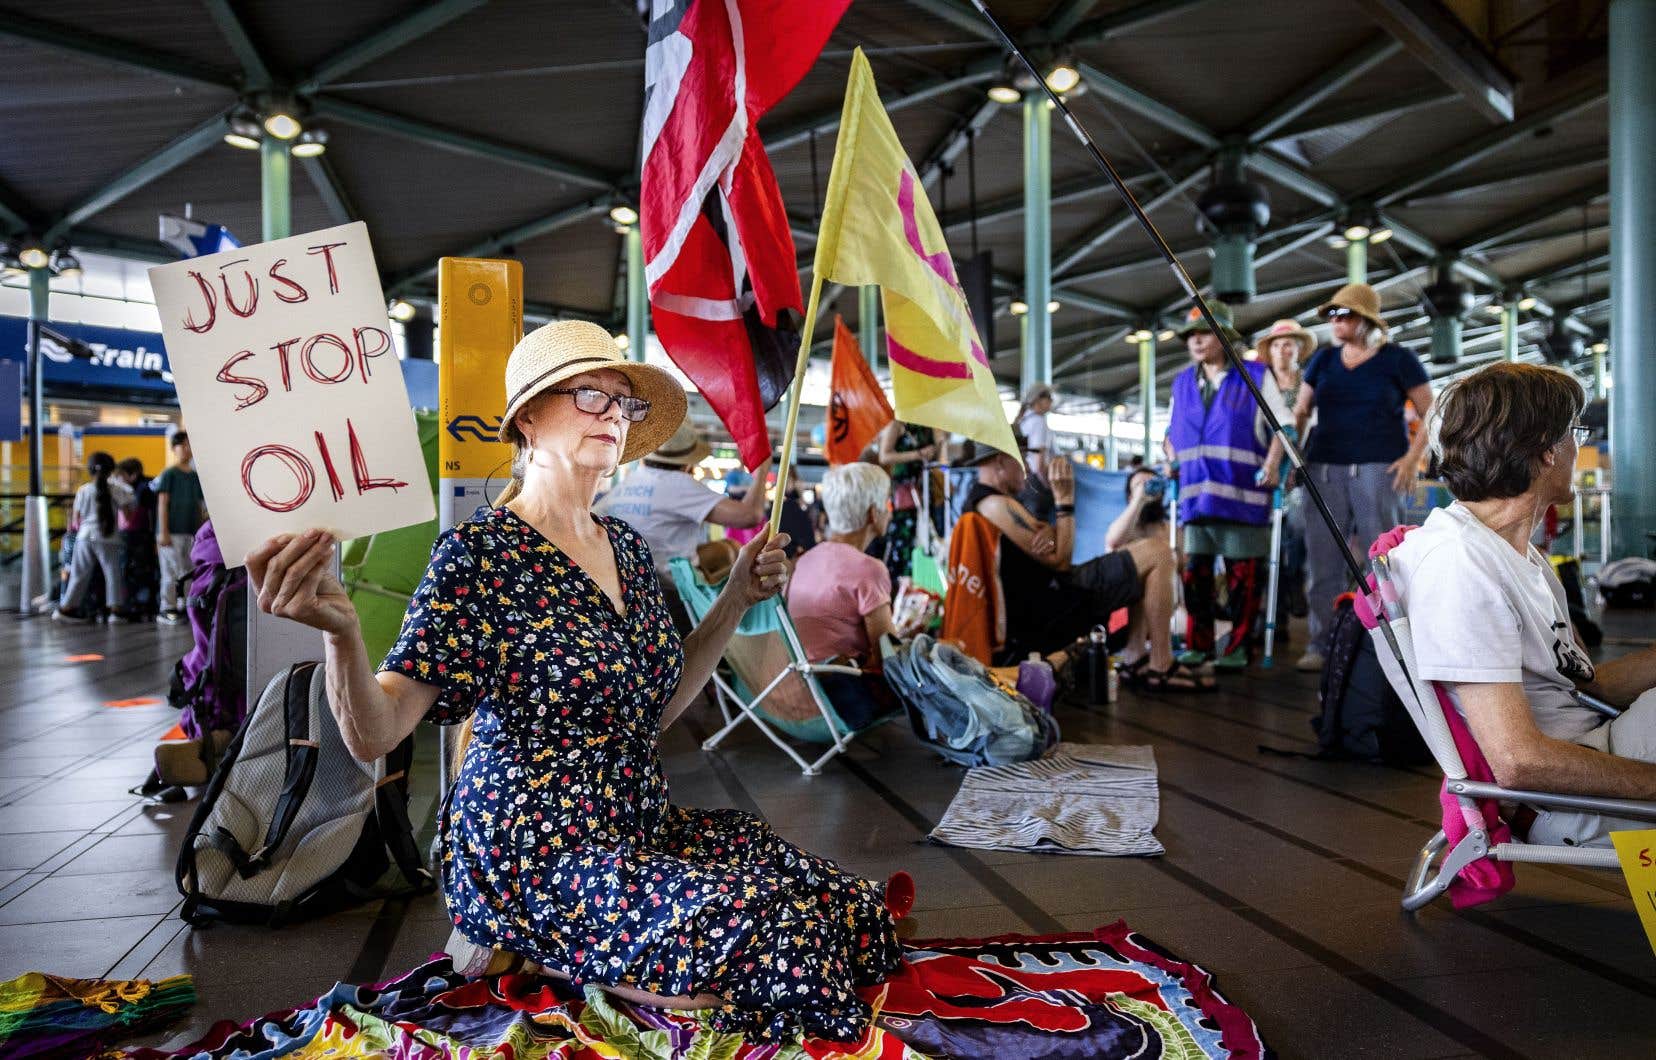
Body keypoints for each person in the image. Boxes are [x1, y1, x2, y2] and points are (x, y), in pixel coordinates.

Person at [246, 321, 901, 1042]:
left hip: (634, 829)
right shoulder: (480, 554)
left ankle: (613, 959)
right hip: (537, 848)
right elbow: (376, 729)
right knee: (775, 932)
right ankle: (556, 948)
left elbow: (654, 705)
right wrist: (339, 632)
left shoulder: (623, 543)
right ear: (528, 416)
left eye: (625, 404)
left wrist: (736, 597)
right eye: (591, 395)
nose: (614, 415)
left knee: (848, 909)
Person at [1389, 363, 1656, 848]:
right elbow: (1518, 761)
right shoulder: (1460, 566)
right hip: (1566, 797)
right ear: (1546, 450)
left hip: (1595, 744)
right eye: (1575, 432)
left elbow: (1583, 684)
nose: (1579, 446)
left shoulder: (1517, 553)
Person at [959, 434, 1210, 690]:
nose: (1026, 467)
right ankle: (1161, 664)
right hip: (1057, 602)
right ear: (1001, 461)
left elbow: (1053, 548)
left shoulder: (986, 502)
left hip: (1053, 595)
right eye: (1021, 458)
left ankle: (1136, 657)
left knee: (1143, 554)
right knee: (1159, 554)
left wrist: (1049, 530)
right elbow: (1061, 561)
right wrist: (1065, 501)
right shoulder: (996, 504)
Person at [1293, 283, 1433, 672]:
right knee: (1322, 561)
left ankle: (1385, 643)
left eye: (1346, 314)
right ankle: (1322, 643)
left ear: (1368, 320)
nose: (1337, 321)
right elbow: (1301, 413)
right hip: (1324, 467)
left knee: (1381, 559)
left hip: (1379, 466)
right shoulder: (1321, 361)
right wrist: (1291, 457)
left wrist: (1411, 459)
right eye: (1333, 315)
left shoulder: (1398, 360)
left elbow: (1431, 410)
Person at [1163, 304, 1288, 671]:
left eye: (1204, 333)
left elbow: (1283, 425)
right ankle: (1199, 644)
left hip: (1242, 498)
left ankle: (1238, 647)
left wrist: (1271, 464)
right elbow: (1171, 433)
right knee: (1194, 575)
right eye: (1191, 336)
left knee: (1242, 580)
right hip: (1194, 499)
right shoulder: (1182, 382)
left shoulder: (1254, 376)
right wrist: (1170, 456)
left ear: (1224, 338)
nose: (1196, 341)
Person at [786, 463, 904, 730]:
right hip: (837, 701)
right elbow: (888, 653)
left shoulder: (805, 560)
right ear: (874, 513)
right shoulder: (869, 569)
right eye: (887, 504)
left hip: (793, 694)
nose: (889, 511)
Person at [593, 416, 773, 578]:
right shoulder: (678, 484)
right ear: (687, 464)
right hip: (667, 591)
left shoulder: (630, 482)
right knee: (733, 553)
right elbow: (751, 515)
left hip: (623, 579)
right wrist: (762, 470)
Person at [1258, 318, 1318, 626]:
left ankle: (1294, 584)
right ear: (1270, 351)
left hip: (1301, 470)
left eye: (1289, 345)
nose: (1283, 350)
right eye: (1278, 345)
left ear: (1298, 350)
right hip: (1263, 469)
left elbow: (1311, 425)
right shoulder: (1259, 383)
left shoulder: (1309, 385)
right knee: (1266, 541)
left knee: (1295, 531)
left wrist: (1298, 464)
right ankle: (1272, 610)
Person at [53, 452, 134, 622]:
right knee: (112, 574)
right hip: (108, 538)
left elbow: (76, 519)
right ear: (111, 469)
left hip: (84, 537)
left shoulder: (83, 490)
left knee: (78, 574)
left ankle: (66, 608)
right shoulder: (117, 489)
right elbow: (127, 515)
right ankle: (115, 611)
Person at [876, 420, 940, 587]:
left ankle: (919, 585)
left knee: (926, 538)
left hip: (924, 488)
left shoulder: (928, 427)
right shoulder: (897, 426)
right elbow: (885, 456)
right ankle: (902, 585)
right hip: (905, 492)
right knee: (904, 541)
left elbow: (940, 456)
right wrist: (917, 454)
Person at [155, 431, 206, 624]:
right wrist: (163, 531)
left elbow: (200, 506)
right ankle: (166, 607)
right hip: (171, 531)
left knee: (187, 571)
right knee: (170, 571)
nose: (187, 449)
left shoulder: (194, 476)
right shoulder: (169, 474)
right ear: (174, 448)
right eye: (183, 445)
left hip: (190, 531)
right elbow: (162, 503)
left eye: (189, 445)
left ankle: (184, 605)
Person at [117, 457, 160, 619]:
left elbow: (137, 517)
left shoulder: (140, 490)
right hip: (146, 537)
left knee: (134, 572)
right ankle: (147, 604)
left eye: (121, 475)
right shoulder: (150, 485)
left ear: (133, 475)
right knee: (147, 572)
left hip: (137, 537)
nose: (119, 479)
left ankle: (136, 605)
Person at [1013, 383, 1055, 479]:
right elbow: (1039, 464)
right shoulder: (1038, 421)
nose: (1052, 400)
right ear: (1037, 399)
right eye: (1049, 397)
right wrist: (1047, 486)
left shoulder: (1024, 419)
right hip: (1036, 478)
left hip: (1024, 476)